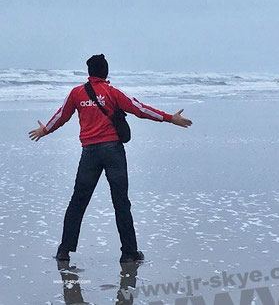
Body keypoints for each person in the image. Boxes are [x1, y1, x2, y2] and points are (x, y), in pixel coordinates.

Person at [28, 54, 193, 264]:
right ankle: (129, 253)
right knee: (121, 202)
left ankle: (64, 250)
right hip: (113, 151)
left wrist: (44, 130)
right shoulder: (111, 92)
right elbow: (139, 109)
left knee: (78, 201)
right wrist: (170, 118)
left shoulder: (77, 93)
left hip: (89, 153)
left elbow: (61, 116)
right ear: (106, 72)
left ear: (89, 73)